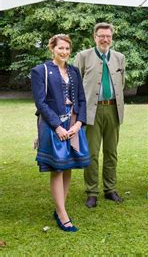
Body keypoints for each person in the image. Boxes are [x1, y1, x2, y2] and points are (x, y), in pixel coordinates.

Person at [31, 34, 90, 232]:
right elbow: (41, 102)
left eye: (67, 48)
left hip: (73, 125)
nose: (64, 52)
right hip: (53, 125)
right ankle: (63, 215)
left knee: (68, 166)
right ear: (52, 49)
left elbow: (82, 99)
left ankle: (60, 209)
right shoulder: (41, 71)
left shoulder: (74, 71)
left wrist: (79, 124)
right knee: (57, 168)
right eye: (60, 48)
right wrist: (57, 126)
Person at [74, 22, 126, 208]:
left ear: (112, 38)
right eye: (101, 36)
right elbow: (75, 85)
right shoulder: (83, 56)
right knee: (92, 153)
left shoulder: (119, 57)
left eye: (108, 36)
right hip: (91, 112)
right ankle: (92, 192)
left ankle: (110, 189)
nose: (105, 39)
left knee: (111, 152)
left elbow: (122, 83)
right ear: (94, 37)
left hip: (113, 109)